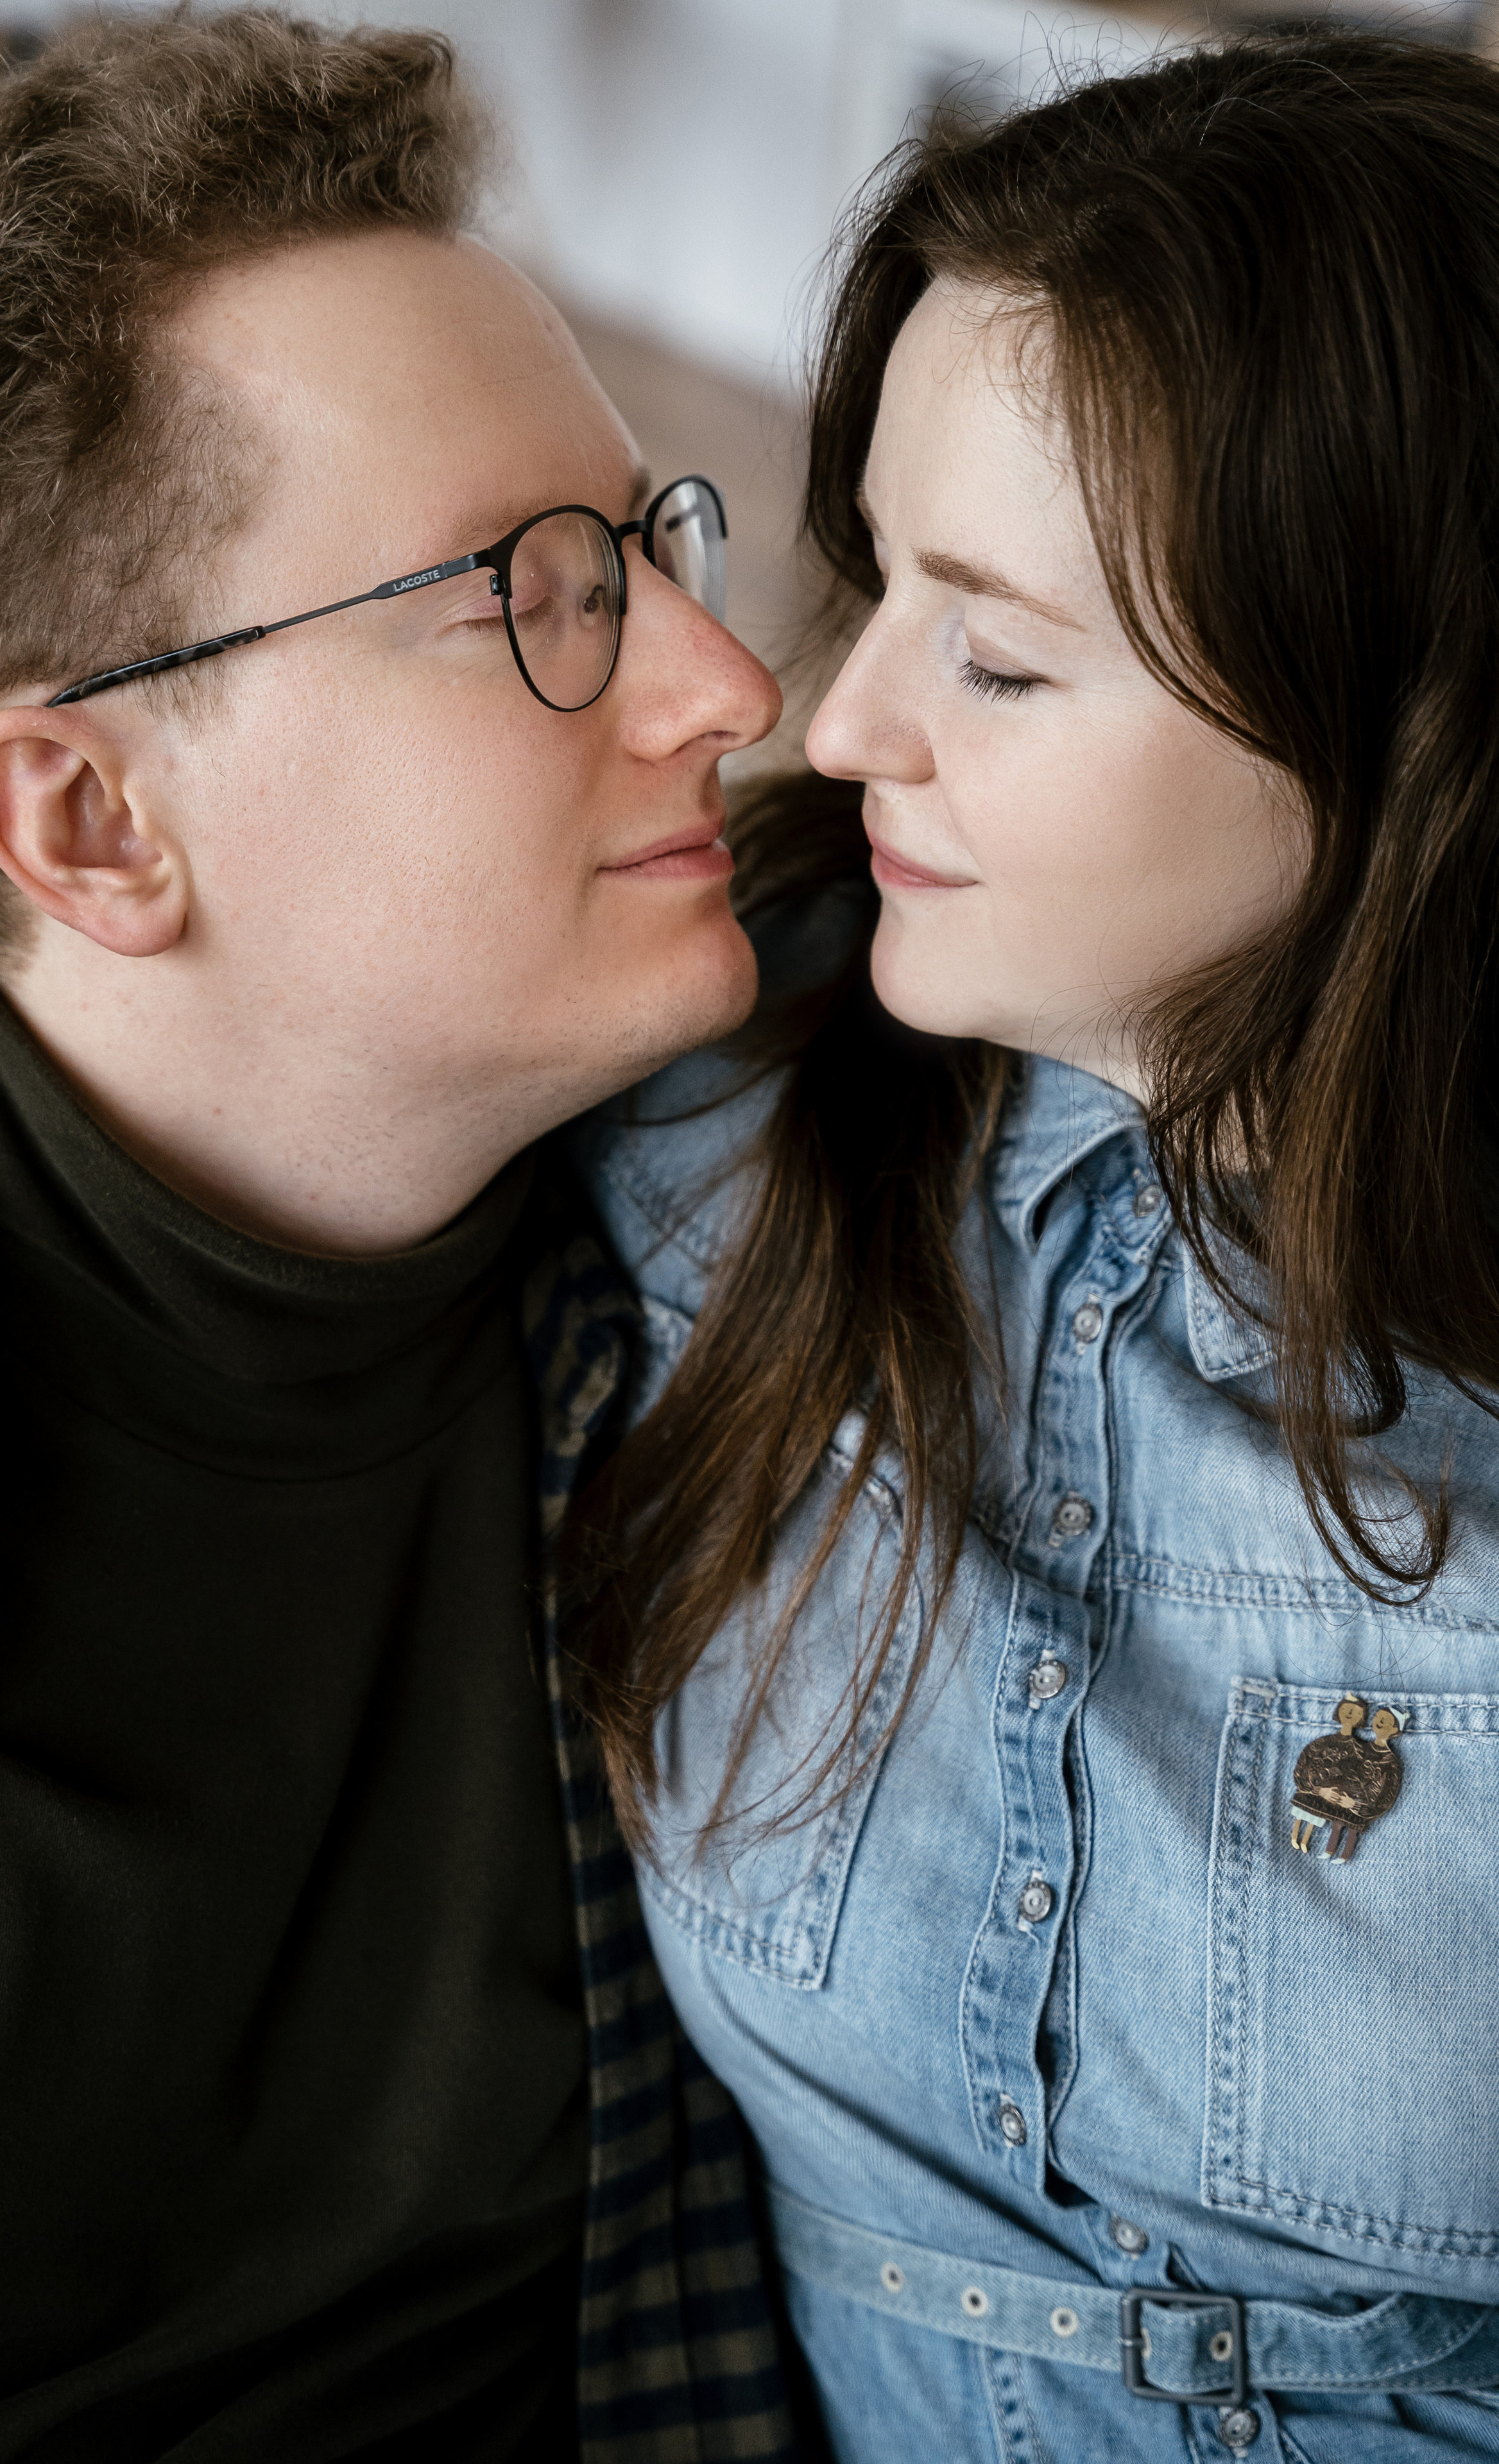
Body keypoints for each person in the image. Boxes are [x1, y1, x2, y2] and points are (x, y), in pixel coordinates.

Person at [0, 12, 803, 2461]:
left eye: (656, 546)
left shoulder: (790, 1236)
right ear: (84, 824)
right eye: (541, 594)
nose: (727, 684)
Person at [567, 32, 1499, 2464]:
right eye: (875, 574)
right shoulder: (720, 1088)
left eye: (993, 653)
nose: (831, 714)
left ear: (1396, 727)